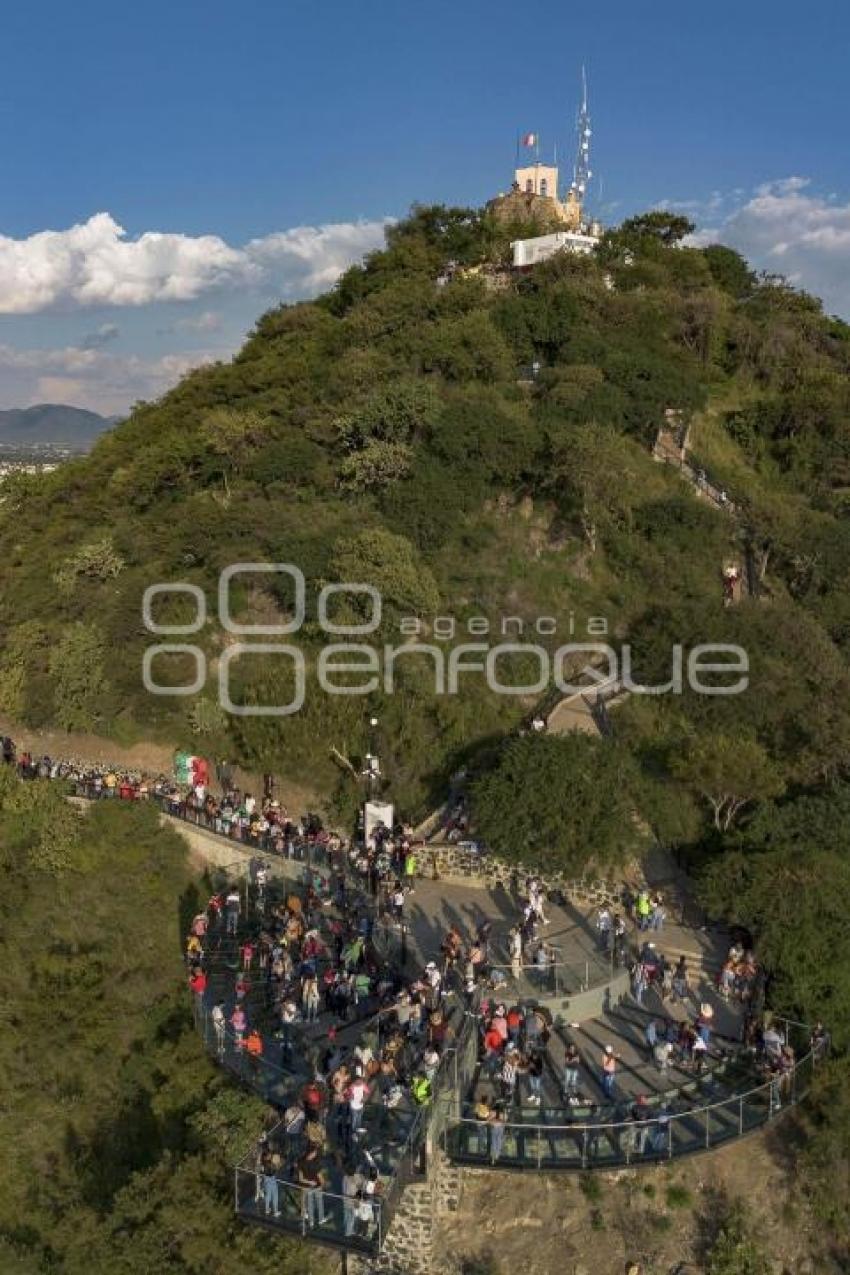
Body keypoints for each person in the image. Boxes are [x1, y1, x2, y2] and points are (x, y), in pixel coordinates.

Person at [297, 1148, 328, 1228]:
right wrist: (323, 1185)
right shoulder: (315, 1164)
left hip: (308, 1187)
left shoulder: (300, 1162)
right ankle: (321, 1219)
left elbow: (301, 1179)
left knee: (310, 1203)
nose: (315, 1154)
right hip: (317, 1186)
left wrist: (309, 1182)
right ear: (311, 1154)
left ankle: (311, 1221)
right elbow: (321, 1178)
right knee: (319, 1202)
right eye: (314, 1153)